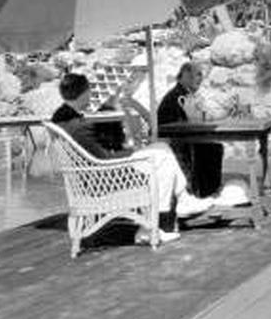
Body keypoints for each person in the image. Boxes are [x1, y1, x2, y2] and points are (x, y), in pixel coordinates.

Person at [51, 72, 212, 244]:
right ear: (84, 92)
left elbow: (97, 155)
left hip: (90, 177)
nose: (91, 95)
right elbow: (104, 158)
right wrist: (134, 153)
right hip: (103, 179)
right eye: (90, 90)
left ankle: (182, 199)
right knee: (161, 156)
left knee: (161, 149)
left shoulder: (62, 118)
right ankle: (156, 223)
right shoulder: (78, 126)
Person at [158, 62, 226, 199]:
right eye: (198, 75)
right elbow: (185, 123)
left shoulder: (182, 94)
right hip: (176, 141)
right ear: (186, 76)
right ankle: (206, 192)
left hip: (182, 137)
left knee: (214, 147)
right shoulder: (179, 97)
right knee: (212, 149)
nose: (201, 79)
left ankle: (206, 191)